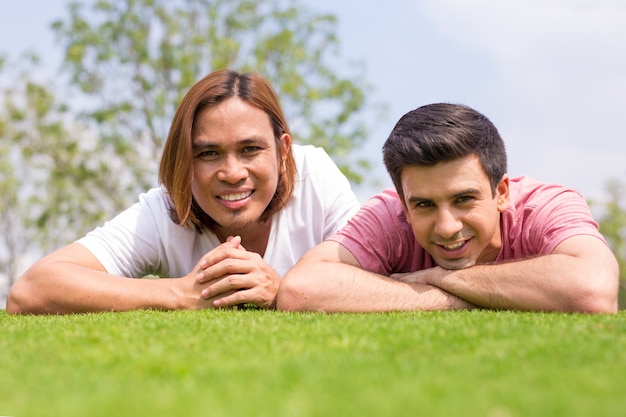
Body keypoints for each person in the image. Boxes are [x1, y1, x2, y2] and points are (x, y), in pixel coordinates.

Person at [7, 69, 360, 314]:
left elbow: (377, 281)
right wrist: (180, 293)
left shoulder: (316, 178)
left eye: (250, 149)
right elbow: (29, 292)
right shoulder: (164, 210)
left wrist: (281, 291)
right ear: (184, 162)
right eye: (208, 153)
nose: (233, 173)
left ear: (283, 152)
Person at [277, 103, 619, 313]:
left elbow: (593, 290)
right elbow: (301, 290)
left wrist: (436, 276)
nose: (446, 227)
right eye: (424, 205)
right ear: (405, 208)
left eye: (463, 199)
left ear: (501, 192)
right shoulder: (388, 213)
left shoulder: (548, 205)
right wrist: (446, 296)